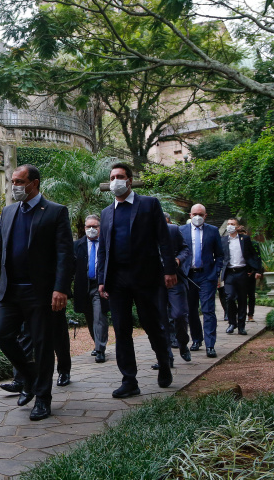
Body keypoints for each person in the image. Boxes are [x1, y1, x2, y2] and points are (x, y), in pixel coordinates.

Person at [0, 164, 74, 421]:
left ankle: (43, 399)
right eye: (13, 181)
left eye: (20, 182)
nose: (15, 186)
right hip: (10, 290)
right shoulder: (8, 212)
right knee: (1, 333)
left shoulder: (55, 212)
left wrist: (60, 288)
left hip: (41, 291)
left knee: (43, 345)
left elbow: (64, 254)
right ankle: (30, 375)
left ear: (34, 183)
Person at [97, 162, 177, 398]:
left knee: (152, 325)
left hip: (146, 276)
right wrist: (102, 278)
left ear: (130, 180)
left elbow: (164, 239)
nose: (115, 181)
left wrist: (169, 270)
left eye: (120, 176)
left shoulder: (149, 204)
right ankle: (129, 380)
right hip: (117, 279)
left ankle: (164, 363)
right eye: (112, 177)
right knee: (122, 330)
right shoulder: (106, 213)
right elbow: (104, 249)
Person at [180, 204, 224, 358]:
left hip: (207, 275)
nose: (197, 216)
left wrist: (216, 272)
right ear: (190, 215)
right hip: (188, 275)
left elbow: (219, 254)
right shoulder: (181, 230)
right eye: (194, 214)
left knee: (208, 310)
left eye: (200, 214)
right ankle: (196, 339)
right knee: (191, 310)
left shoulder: (212, 231)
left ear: (205, 216)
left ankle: (210, 345)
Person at [152, 212, 192, 370]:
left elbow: (185, 250)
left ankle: (183, 344)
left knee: (179, 314)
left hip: (175, 280)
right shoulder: (143, 233)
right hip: (155, 282)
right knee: (161, 321)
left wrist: (178, 259)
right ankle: (166, 357)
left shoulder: (173, 230)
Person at [74, 215, 108, 363]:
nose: (92, 229)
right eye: (89, 227)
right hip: (83, 286)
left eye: (95, 226)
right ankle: (97, 343)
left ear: (100, 228)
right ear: (84, 228)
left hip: (99, 286)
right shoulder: (77, 245)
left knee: (99, 316)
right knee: (89, 317)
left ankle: (100, 349)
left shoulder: (106, 244)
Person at [219, 218, 263, 335]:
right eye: (228, 224)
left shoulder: (245, 239)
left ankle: (241, 326)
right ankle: (232, 322)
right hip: (229, 273)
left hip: (242, 272)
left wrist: (255, 270)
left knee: (242, 299)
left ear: (237, 227)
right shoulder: (223, 240)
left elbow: (253, 255)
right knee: (230, 297)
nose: (229, 226)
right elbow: (219, 257)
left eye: (232, 224)